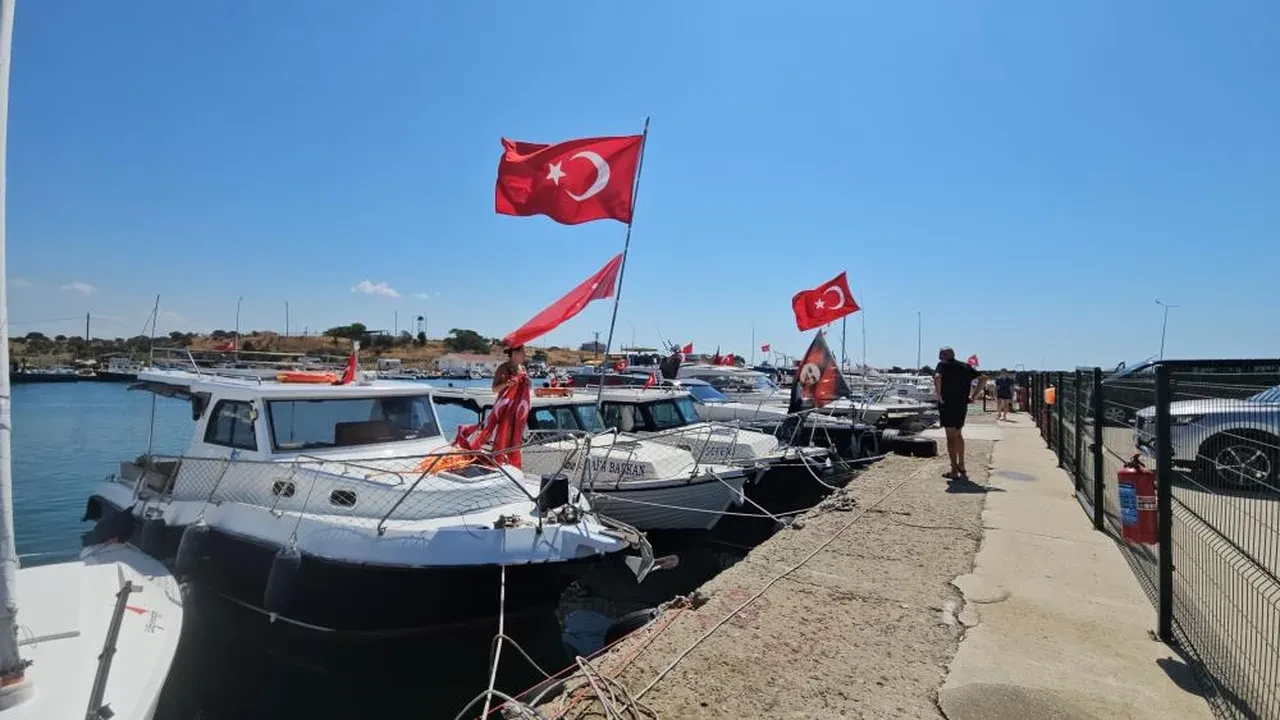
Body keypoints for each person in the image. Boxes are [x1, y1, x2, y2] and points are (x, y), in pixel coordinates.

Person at [934, 347, 984, 481]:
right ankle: (961, 465)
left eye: (941, 353)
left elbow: (938, 377)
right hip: (962, 404)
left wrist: (939, 395)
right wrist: (974, 396)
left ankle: (954, 471)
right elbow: (983, 378)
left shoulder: (942, 365)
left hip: (948, 404)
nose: (939, 356)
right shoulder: (965, 366)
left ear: (944, 355)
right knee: (958, 434)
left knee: (950, 437)